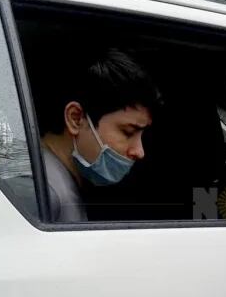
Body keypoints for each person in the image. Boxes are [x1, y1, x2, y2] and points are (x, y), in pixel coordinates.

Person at [38, 48, 159, 221]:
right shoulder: (42, 193)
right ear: (75, 118)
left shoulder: (54, 180)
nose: (139, 151)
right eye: (128, 132)